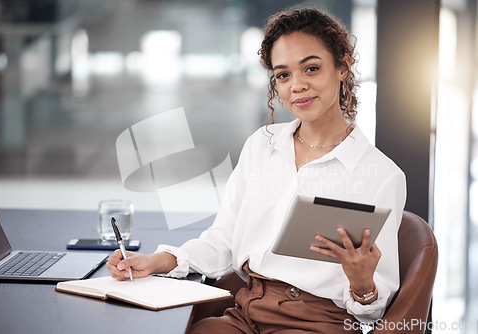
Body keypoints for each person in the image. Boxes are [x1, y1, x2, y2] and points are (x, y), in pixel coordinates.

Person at [107, 7, 406, 334]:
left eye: (311, 68)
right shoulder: (262, 146)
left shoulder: (381, 175)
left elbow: (374, 311)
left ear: (342, 67)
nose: (297, 85)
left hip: (319, 324)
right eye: (283, 75)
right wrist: (156, 261)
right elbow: (224, 240)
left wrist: (362, 283)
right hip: (246, 312)